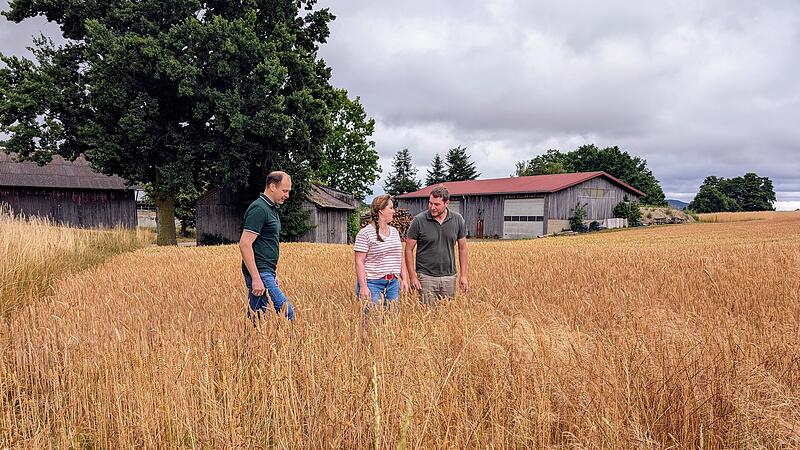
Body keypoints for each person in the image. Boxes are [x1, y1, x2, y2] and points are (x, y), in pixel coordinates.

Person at [239, 171, 294, 321]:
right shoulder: (259, 209)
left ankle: (251, 343)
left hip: (266, 271)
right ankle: (287, 343)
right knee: (286, 312)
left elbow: (265, 242)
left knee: (257, 317)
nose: (287, 195)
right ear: (272, 186)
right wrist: (256, 277)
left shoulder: (271, 208)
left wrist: (272, 273)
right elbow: (245, 244)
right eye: (284, 191)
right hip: (260, 271)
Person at [404, 186, 469, 306]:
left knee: (446, 317)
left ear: (446, 203)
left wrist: (463, 276)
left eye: (437, 204)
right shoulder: (418, 221)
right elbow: (408, 249)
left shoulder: (458, 220)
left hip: (449, 277)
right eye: (430, 203)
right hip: (426, 277)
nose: (432, 207)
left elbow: (462, 248)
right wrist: (413, 276)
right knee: (426, 315)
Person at [354, 194, 409, 310]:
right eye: (391, 208)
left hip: (393, 283)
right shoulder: (365, 234)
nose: (394, 211)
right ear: (381, 211)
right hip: (372, 283)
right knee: (373, 321)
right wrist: (363, 286)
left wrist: (404, 279)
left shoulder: (394, 232)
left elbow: (399, 256)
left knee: (392, 320)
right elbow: (359, 261)